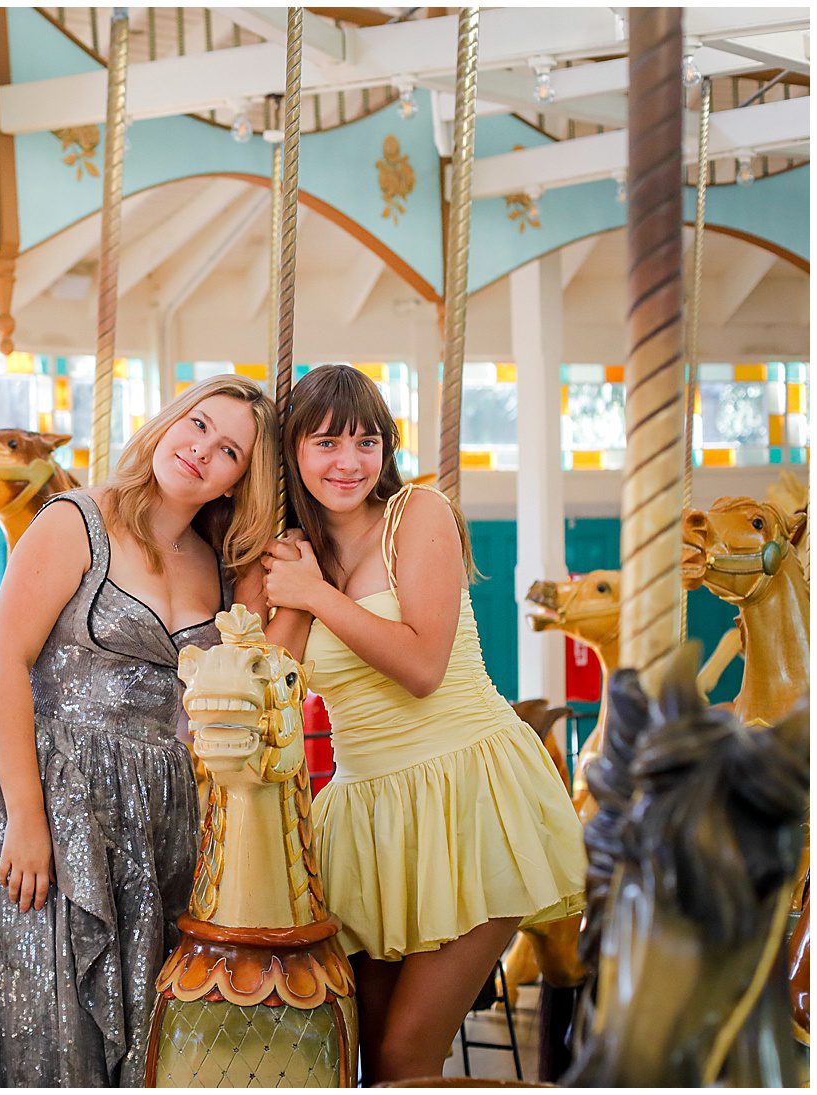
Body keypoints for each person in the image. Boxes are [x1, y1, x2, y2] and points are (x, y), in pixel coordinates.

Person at [0, 375, 281, 1086]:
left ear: (239, 480)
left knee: (144, 1027)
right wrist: (25, 816)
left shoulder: (214, 563)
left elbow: (254, 671)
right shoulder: (77, 519)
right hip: (50, 792)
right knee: (45, 1028)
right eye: (197, 424)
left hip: (154, 814)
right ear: (170, 421)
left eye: (228, 448)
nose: (202, 449)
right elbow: (5, 660)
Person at [242, 363, 585, 1084]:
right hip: (368, 816)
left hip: (468, 790)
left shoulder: (418, 513)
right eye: (326, 442)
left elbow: (422, 665)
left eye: (366, 442)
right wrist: (297, 594)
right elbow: (271, 683)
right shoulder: (295, 553)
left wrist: (314, 594)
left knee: (406, 1057)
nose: (348, 462)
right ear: (292, 452)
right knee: (366, 1061)